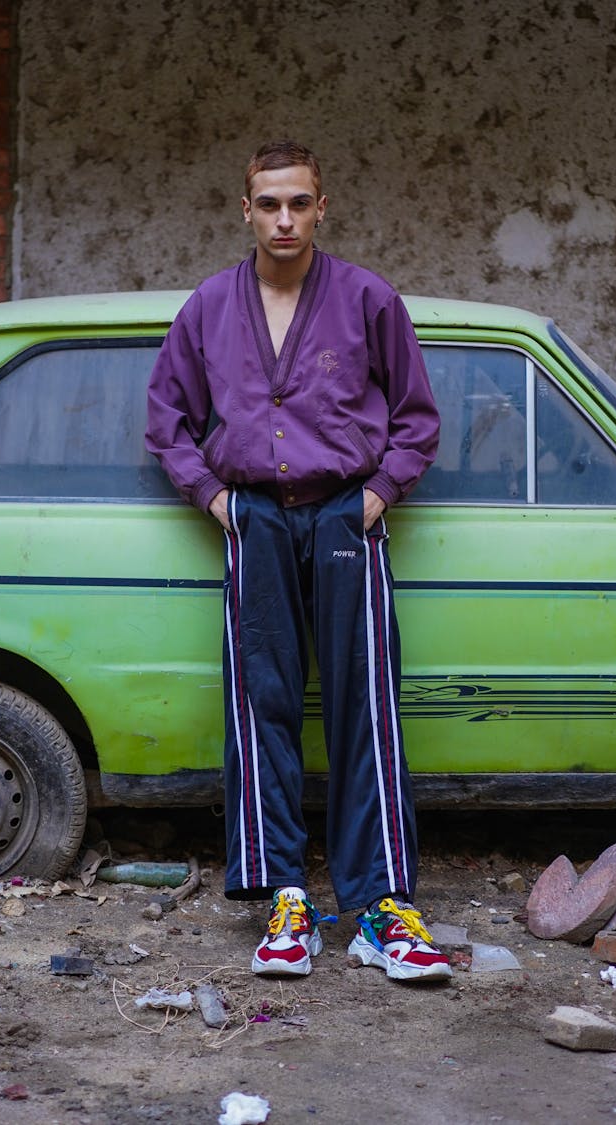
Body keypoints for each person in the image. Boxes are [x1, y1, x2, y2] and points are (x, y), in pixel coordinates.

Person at [145, 140, 451, 983]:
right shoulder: (209, 307)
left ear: (323, 207)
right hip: (256, 520)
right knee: (262, 705)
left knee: (366, 707)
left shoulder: (367, 299)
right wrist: (217, 501)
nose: (285, 218)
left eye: (300, 203)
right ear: (245, 210)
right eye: (269, 203)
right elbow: (167, 418)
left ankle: (382, 904)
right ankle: (286, 896)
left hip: (345, 512)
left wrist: (378, 494)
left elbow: (417, 417)